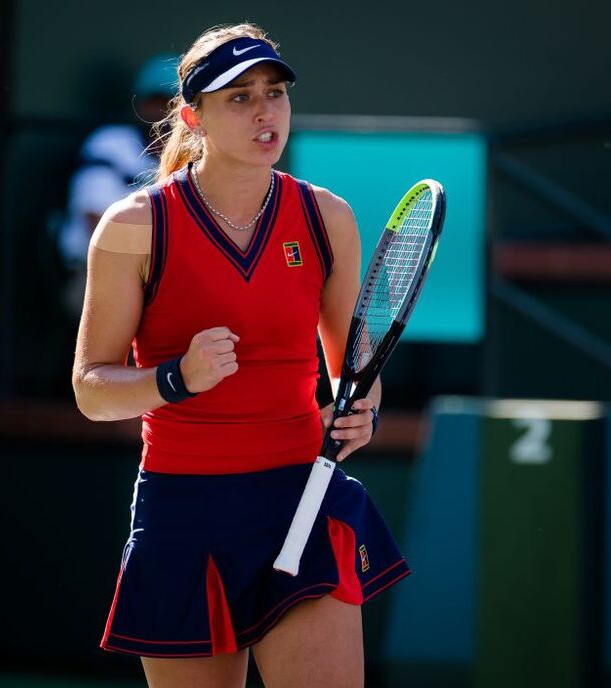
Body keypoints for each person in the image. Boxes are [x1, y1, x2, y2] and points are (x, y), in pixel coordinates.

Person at [72, 23, 409, 688]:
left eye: (274, 94)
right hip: (182, 514)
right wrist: (176, 377)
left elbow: (352, 371)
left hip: (302, 500)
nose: (264, 112)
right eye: (239, 97)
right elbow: (91, 387)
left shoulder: (326, 218)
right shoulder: (133, 227)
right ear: (193, 117)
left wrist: (360, 407)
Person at [56, 54, 178, 316]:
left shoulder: (191, 155)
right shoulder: (111, 142)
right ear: (141, 104)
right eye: (158, 102)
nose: (166, 113)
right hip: (95, 270)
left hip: (163, 275)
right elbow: (95, 218)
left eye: (175, 103)